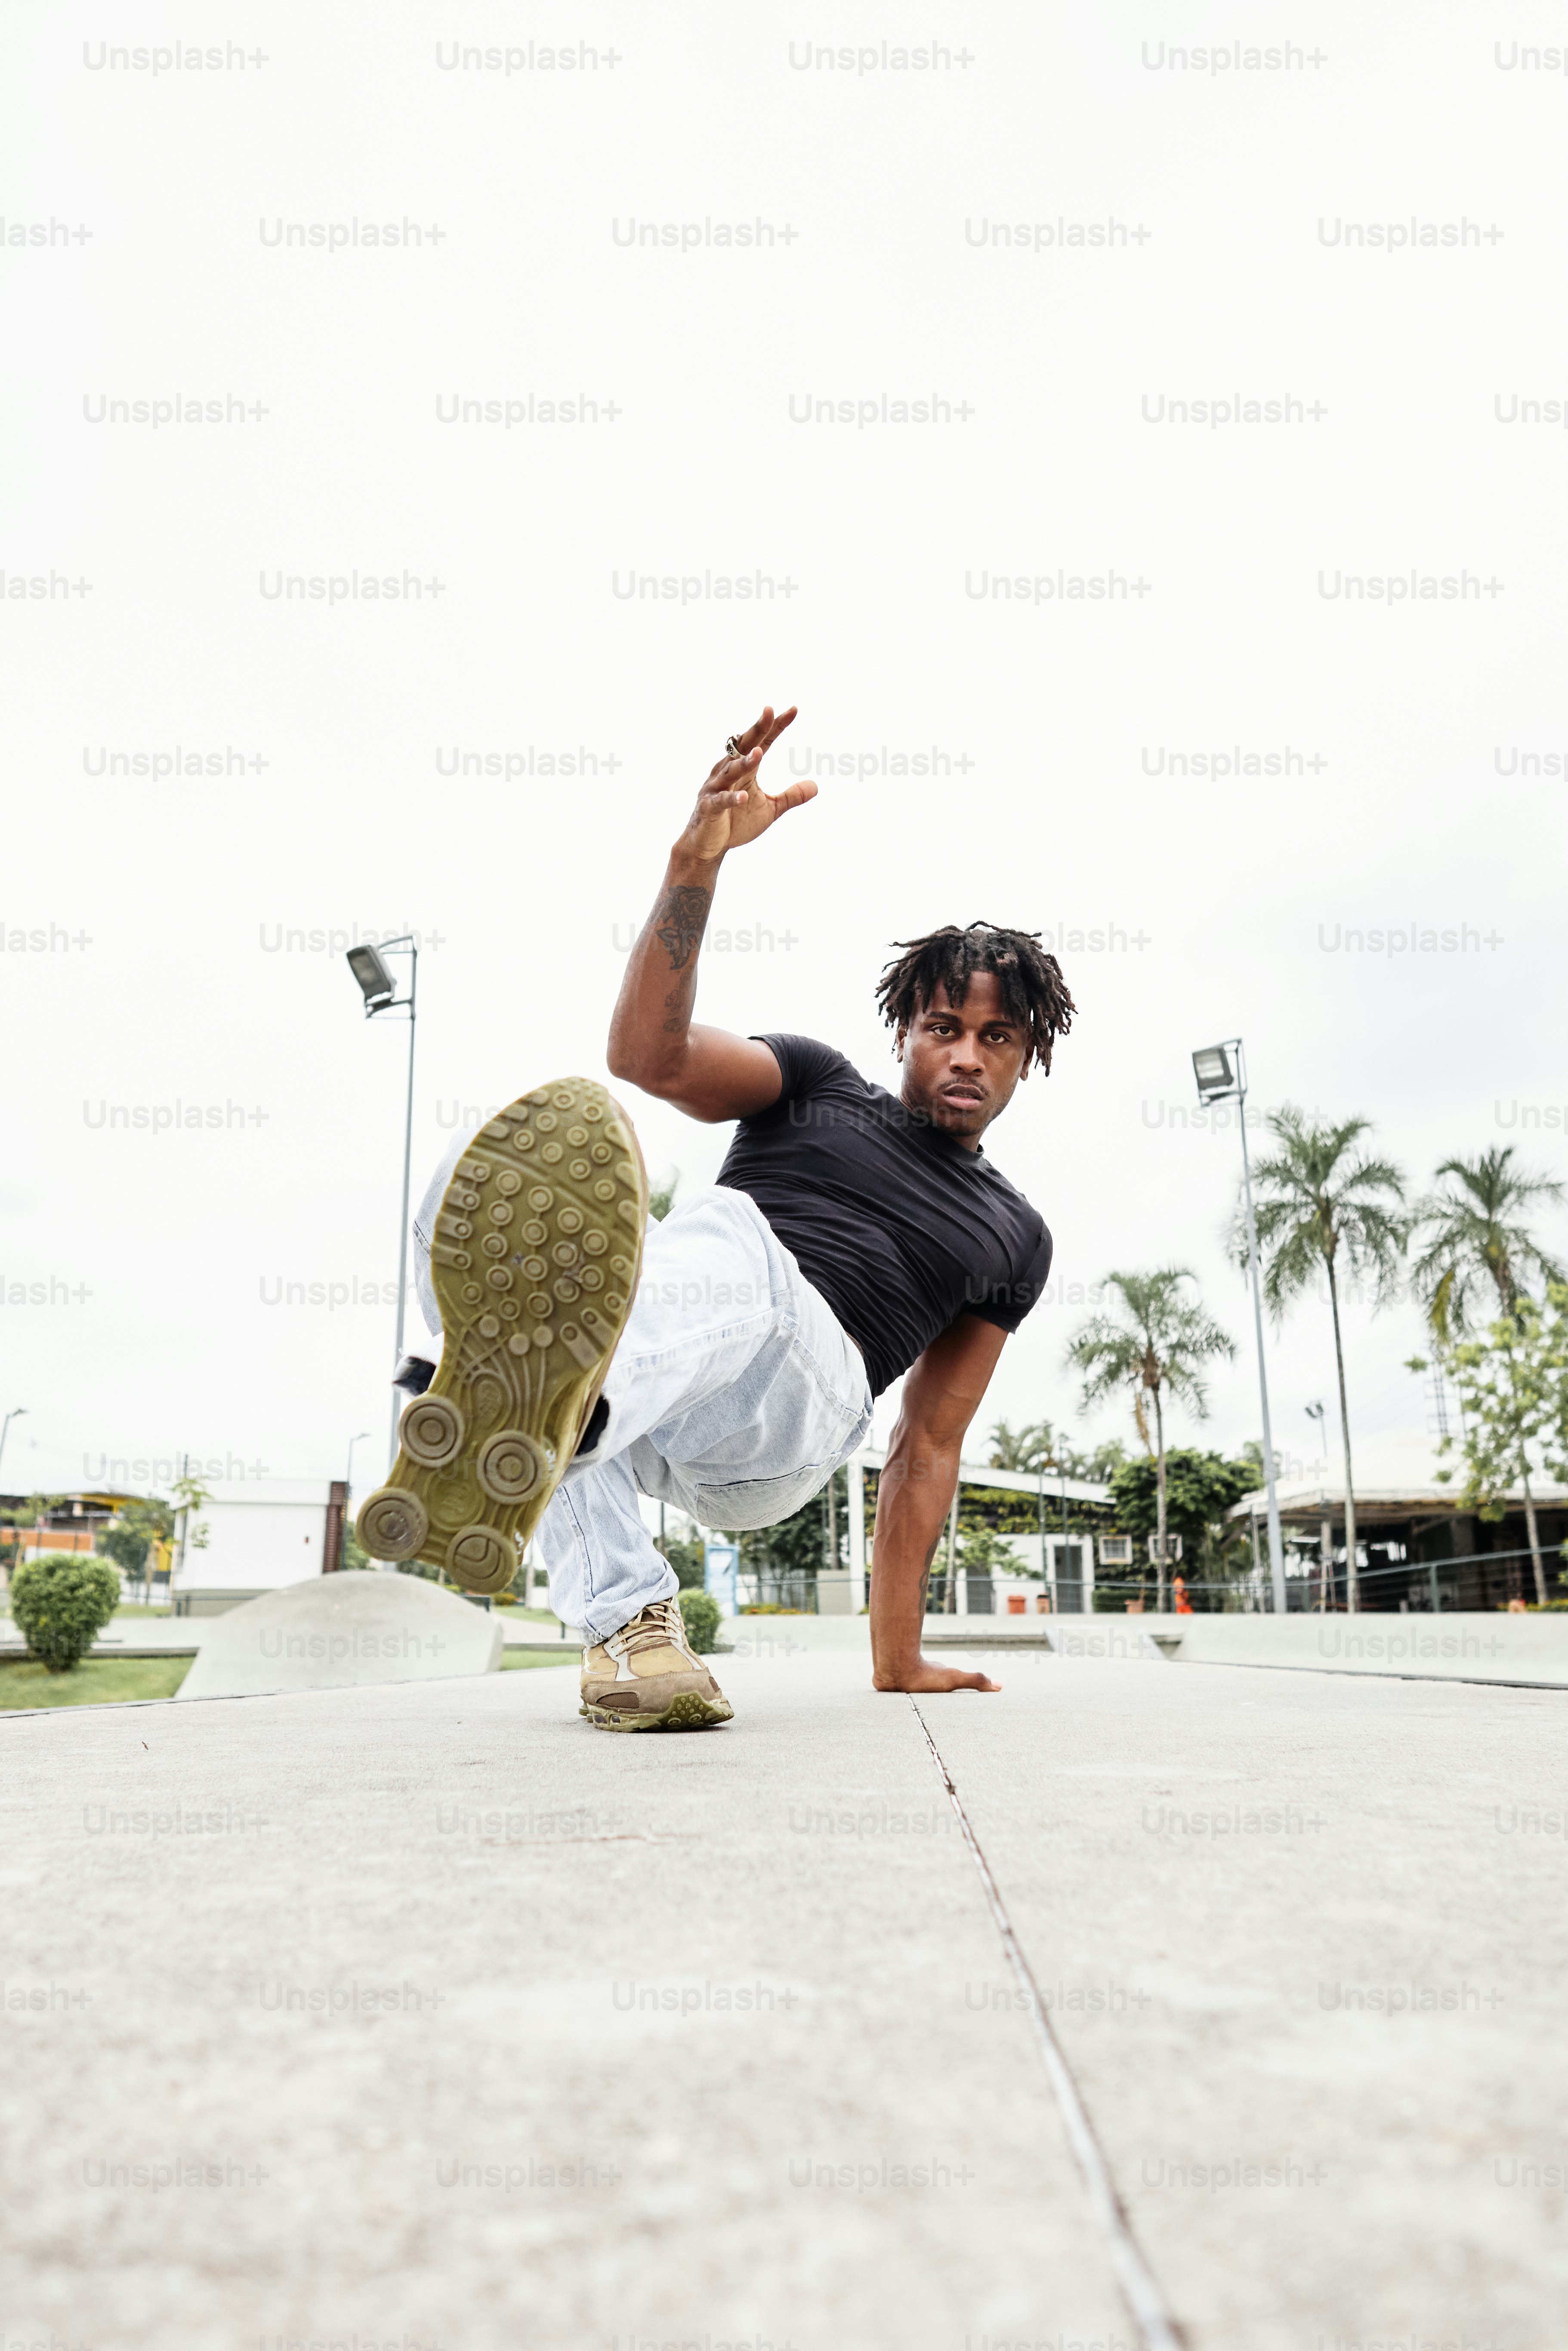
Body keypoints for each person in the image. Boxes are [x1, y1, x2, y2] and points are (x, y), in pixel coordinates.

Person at [355, 704, 1074, 1731]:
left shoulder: (1014, 1233)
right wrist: (696, 862)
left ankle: (545, 1383)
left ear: (1025, 1055)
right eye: (943, 1027)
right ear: (905, 1031)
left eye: (995, 1036)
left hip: (787, 1427)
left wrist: (900, 1655)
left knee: (732, 1251)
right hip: (667, 1384)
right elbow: (649, 1058)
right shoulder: (813, 1081)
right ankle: (631, 1621)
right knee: (456, 1192)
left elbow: (926, 1445)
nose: (966, 1053)